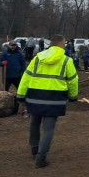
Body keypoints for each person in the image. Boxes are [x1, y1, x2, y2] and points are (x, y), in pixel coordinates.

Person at [16, 34, 79, 168]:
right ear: (61, 44)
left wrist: (20, 95)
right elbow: (73, 80)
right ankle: (41, 157)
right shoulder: (66, 60)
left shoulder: (38, 58)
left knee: (34, 123)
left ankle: (34, 149)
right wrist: (73, 96)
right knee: (48, 129)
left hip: (34, 96)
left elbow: (26, 76)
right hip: (55, 98)